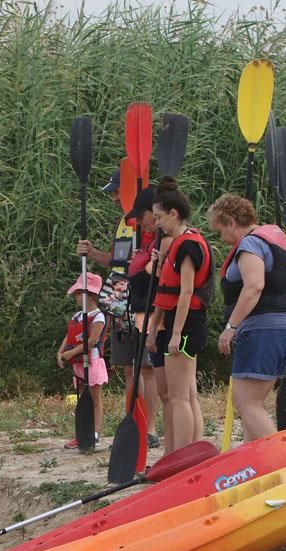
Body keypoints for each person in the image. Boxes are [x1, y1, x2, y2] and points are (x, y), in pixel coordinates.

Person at [78, 174, 162, 448]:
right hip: (118, 299)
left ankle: (149, 430)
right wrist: (92, 253)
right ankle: (134, 421)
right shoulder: (124, 224)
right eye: (113, 192)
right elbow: (115, 260)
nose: (113, 197)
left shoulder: (151, 224)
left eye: (116, 191)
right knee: (129, 368)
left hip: (143, 299)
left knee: (147, 368)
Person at [209, 194, 286, 441]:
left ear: (230, 222)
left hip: (263, 329)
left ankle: (283, 462)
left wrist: (231, 326)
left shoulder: (250, 244)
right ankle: (257, 467)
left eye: (220, 231)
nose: (223, 239)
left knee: (246, 402)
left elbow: (254, 287)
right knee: (255, 403)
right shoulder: (276, 235)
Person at [146, 178, 210, 451]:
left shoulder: (187, 245)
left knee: (179, 397)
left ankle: (182, 458)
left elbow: (185, 292)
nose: (157, 223)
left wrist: (174, 333)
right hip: (182, 323)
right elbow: (166, 290)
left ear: (174, 214)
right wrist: (154, 328)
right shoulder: (178, 244)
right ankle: (177, 453)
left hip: (186, 325)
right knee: (186, 394)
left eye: (159, 217)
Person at [57, 272, 108, 448]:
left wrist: (71, 353)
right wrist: (61, 352)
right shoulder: (77, 316)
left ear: (90, 295)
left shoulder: (99, 316)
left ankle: (93, 434)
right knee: (81, 398)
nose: (76, 297)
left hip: (92, 362)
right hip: (78, 364)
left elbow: (92, 341)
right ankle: (81, 433)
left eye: (79, 293)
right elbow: (68, 336)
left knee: (94, 398)